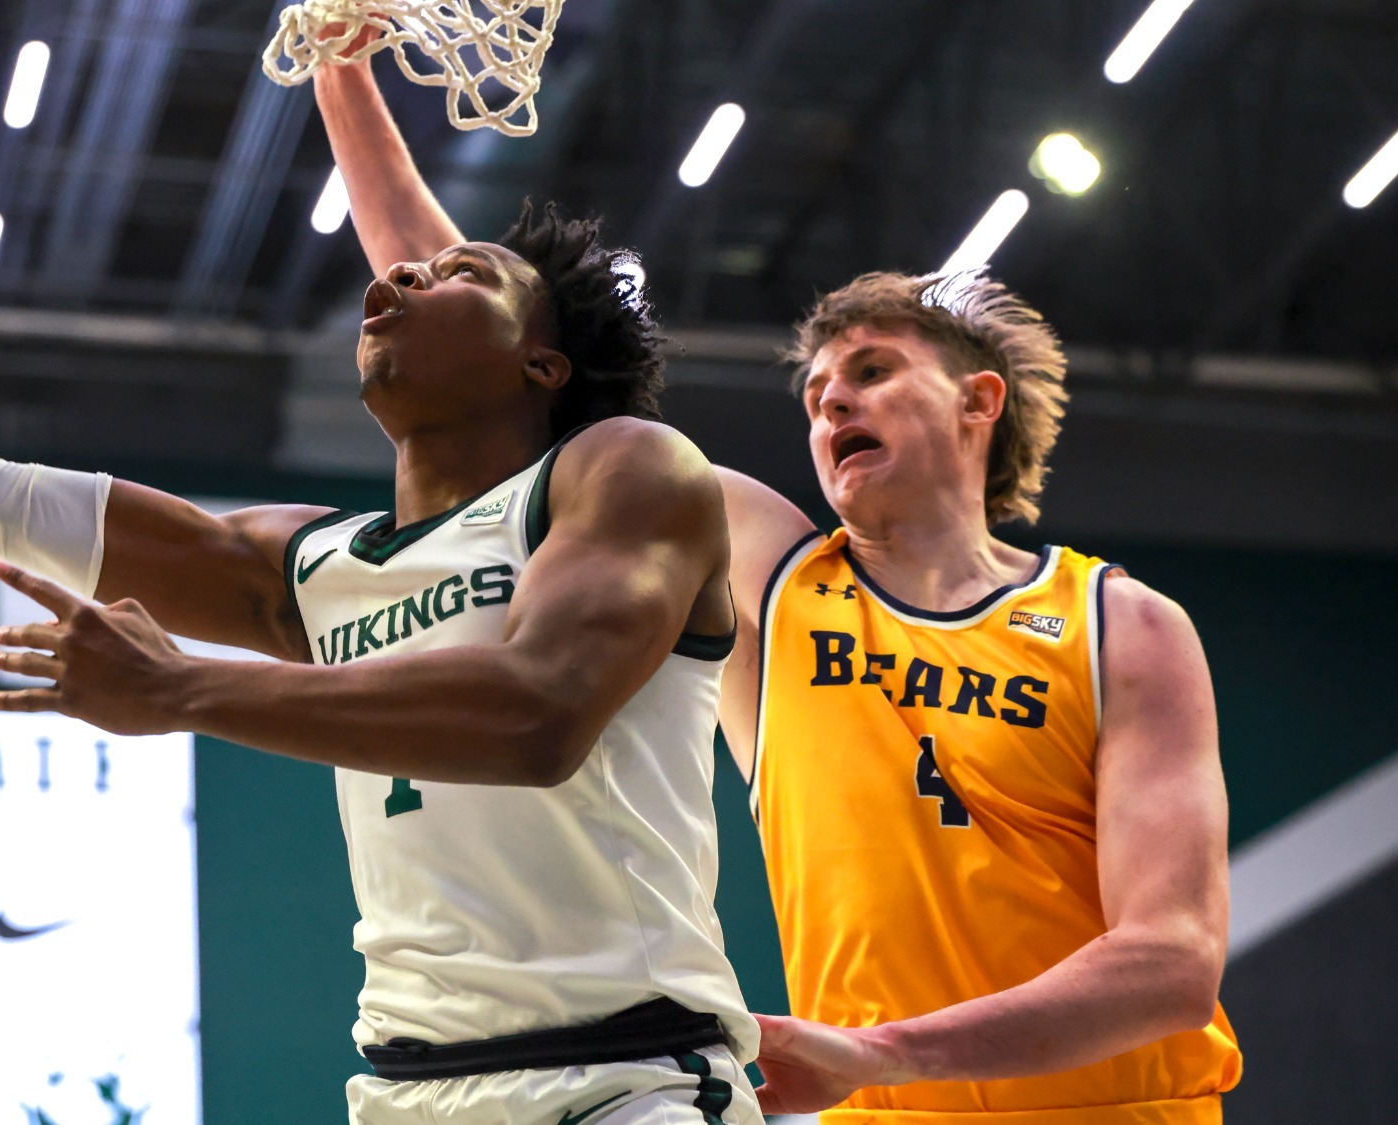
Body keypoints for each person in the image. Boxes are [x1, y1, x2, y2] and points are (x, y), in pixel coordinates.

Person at [0, 162, 763, 1120]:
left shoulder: (623, 468)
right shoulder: (311, 566)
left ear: (542, 366)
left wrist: (186, 691)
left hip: (624, 1078)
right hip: (408, 1088)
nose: (395, 278)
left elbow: (538, 715)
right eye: (403, 271)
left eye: (458, 273)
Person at [311, 53, 1242, 1125]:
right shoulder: (779, 581)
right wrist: (342, 72)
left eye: (871, 371)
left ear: (977, 401)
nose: (830, 400)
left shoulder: (1117, 623)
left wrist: (883, 1050)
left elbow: (1171, 961)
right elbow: (486, 344)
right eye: (813, 392)